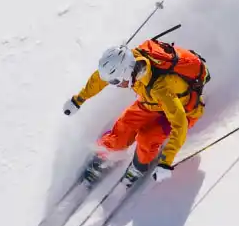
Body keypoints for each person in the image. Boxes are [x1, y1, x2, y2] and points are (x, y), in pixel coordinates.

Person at [64, 39, 210, 186]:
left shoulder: (161, 87)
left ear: (127, 74)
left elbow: (180, 124)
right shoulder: (132, 59)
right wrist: (79, 100)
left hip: (184, 112)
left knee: (147, 137)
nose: (114, 85)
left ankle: (139, 166)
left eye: (115, 82)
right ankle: (105, 154)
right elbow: (100, 78)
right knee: (124, 126)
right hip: (152, 103)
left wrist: (166, 162)